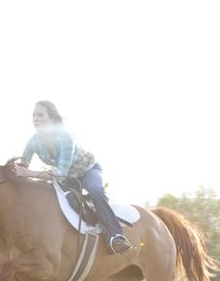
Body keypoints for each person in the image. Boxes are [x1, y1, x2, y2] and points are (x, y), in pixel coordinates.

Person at [9, 100, 132, 254]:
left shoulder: (65, 137)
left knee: (94, 190)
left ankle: (116, 236)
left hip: (87, 170)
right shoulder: (33, 141)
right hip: (67, 178)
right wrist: (12, 168)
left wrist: (31, 174)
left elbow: (61, 173)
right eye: (34, 115)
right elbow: (24, 166)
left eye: (40, 115)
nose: (35, 118)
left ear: (52, 118)